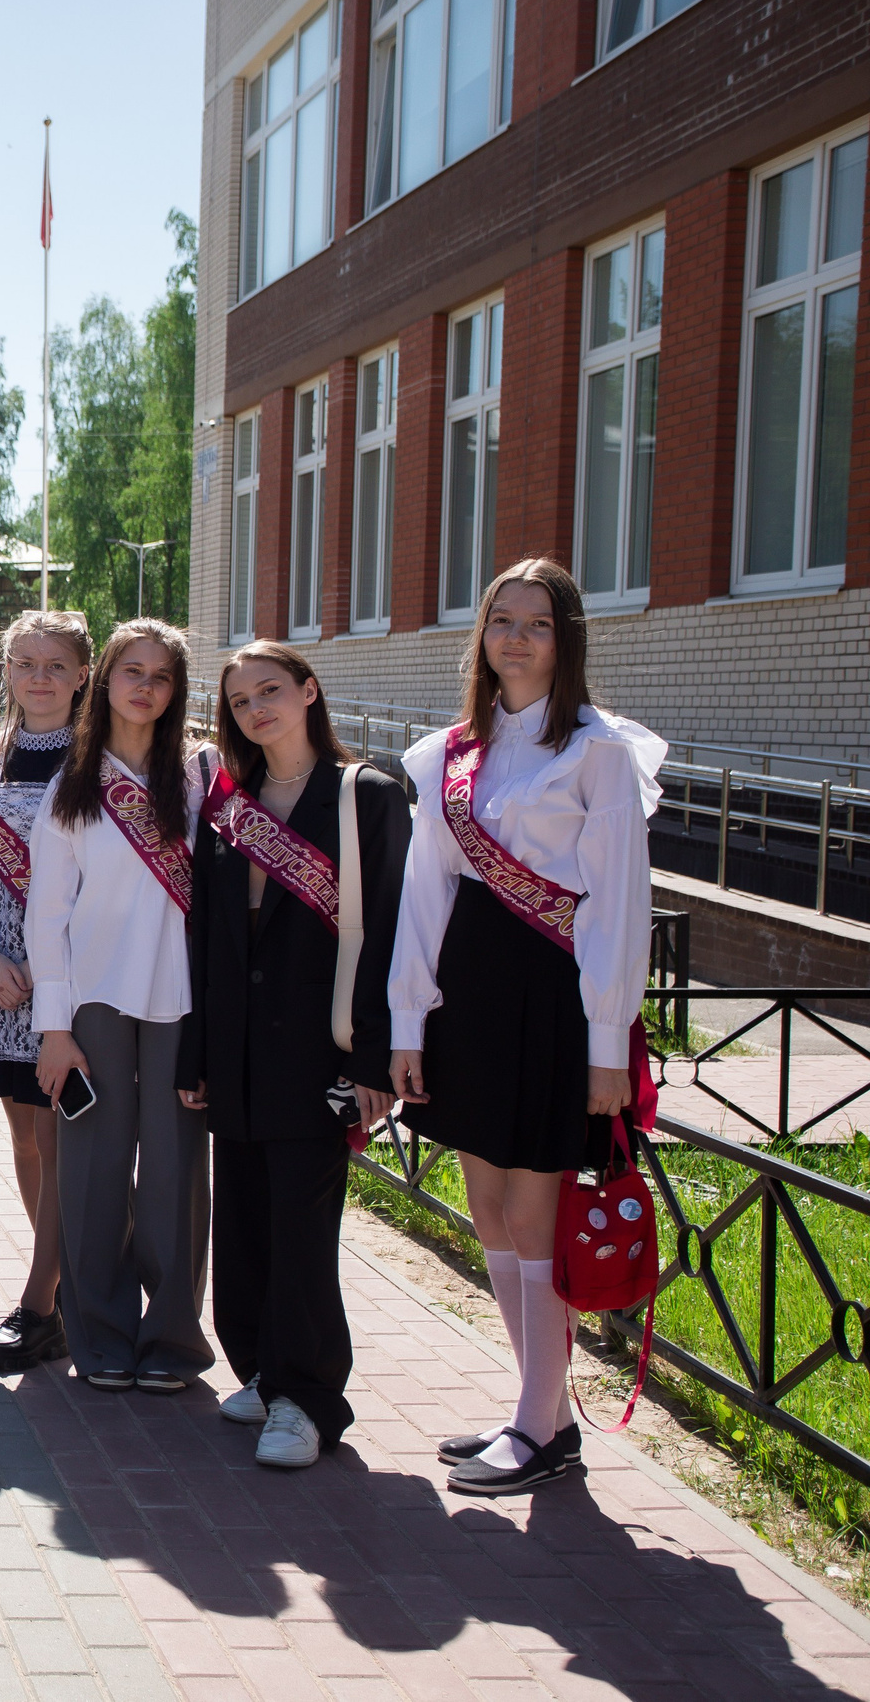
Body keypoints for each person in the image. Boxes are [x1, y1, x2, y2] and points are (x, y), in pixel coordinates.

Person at [390, 560, 664, 1495]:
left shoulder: (599, 753)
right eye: (500, 620)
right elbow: (423, 897)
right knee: (490, 1207)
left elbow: (619, 909)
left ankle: (540, 1427)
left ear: (567, 638)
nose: (515, 637)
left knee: (537, 1211)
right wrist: (407, 1021)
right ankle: (538, 1411)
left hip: (553, 997)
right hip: (468, 994)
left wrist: (604, 1046)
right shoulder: (445, 754)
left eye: (537, 624)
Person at [178, 642, 409, 1469]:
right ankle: (263, 1368)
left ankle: (309, 1397)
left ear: (310, 691)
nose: (256, 709)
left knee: (304, 1226)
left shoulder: (366, 797)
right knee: (242, 1219)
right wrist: (196, 1053)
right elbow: (207, 935)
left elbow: (388, 931)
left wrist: (378, 1062)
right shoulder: (225, 804)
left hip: (320, 1046)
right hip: (236, 1047)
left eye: (270, 690)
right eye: (240, 700)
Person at [26, 618, 212, 1396]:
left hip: (180, 1003)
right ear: (104, 680)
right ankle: (98, 1332)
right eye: (130, 670)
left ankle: (170, 1335)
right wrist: (55, 1029)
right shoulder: (74, 783)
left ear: (175, 691)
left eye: (160, 675)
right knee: (95, 1171)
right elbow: (46, 915)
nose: (144, 685)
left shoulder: (202, 781)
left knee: (174, 1172)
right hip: (92, 1003)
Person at [0, 610, 89, 1374]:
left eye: (55, 664)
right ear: (4, 671)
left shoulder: (100, 756)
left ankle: (42, 1301)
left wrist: (49, 967)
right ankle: (71, 1281)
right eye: (24, 663)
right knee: (25, 1136)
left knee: (57, 1136)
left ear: (81, 674)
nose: (39, 677)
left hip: (67, 976)